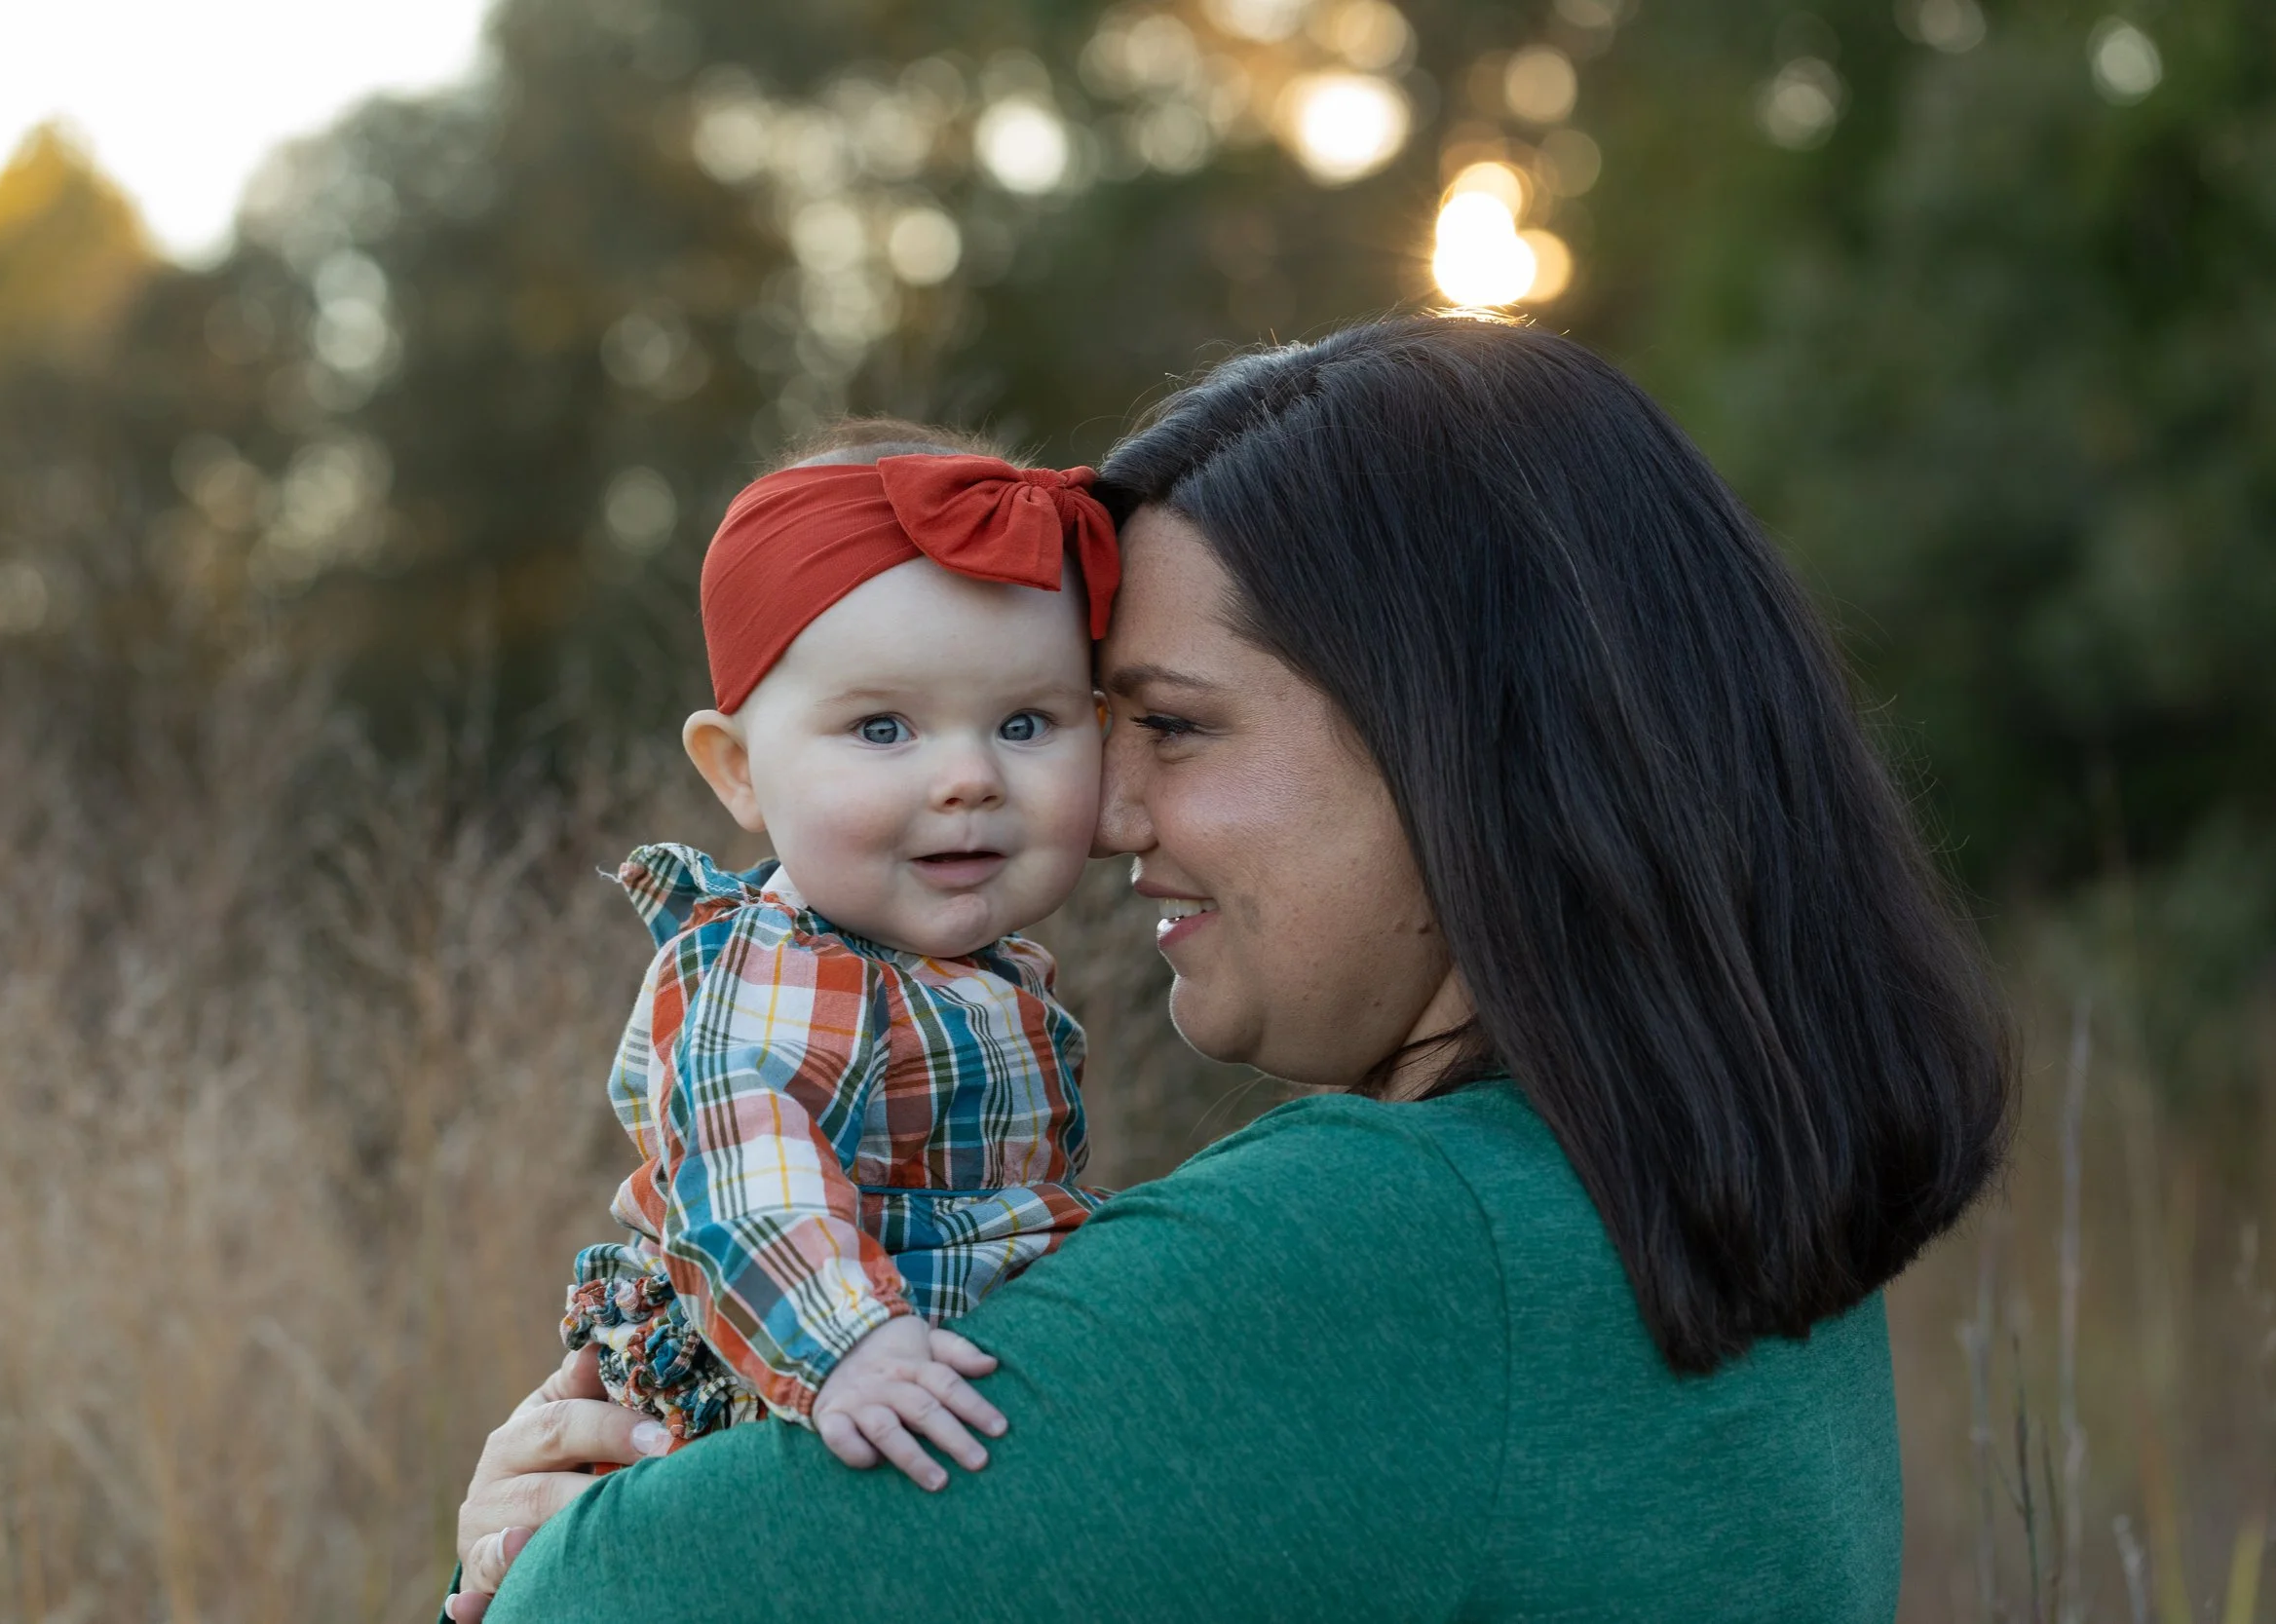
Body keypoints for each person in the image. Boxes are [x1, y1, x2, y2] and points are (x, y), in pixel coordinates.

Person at [446, 315, 2014, 1622]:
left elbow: (593, 1607)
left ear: (1455, 736)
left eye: (1173, 725)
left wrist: (544, 1546)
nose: (1103, 814)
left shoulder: (1376, 1247)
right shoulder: (1708, 1203)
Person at [557, 423, 1117, 1489]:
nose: (969, 776)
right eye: (882, 728)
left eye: (1024, 722)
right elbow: (742, 1159)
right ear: (738, 771)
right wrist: (850, 1343)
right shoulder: (784, 964)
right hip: (781, 1391)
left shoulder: (990, 970)